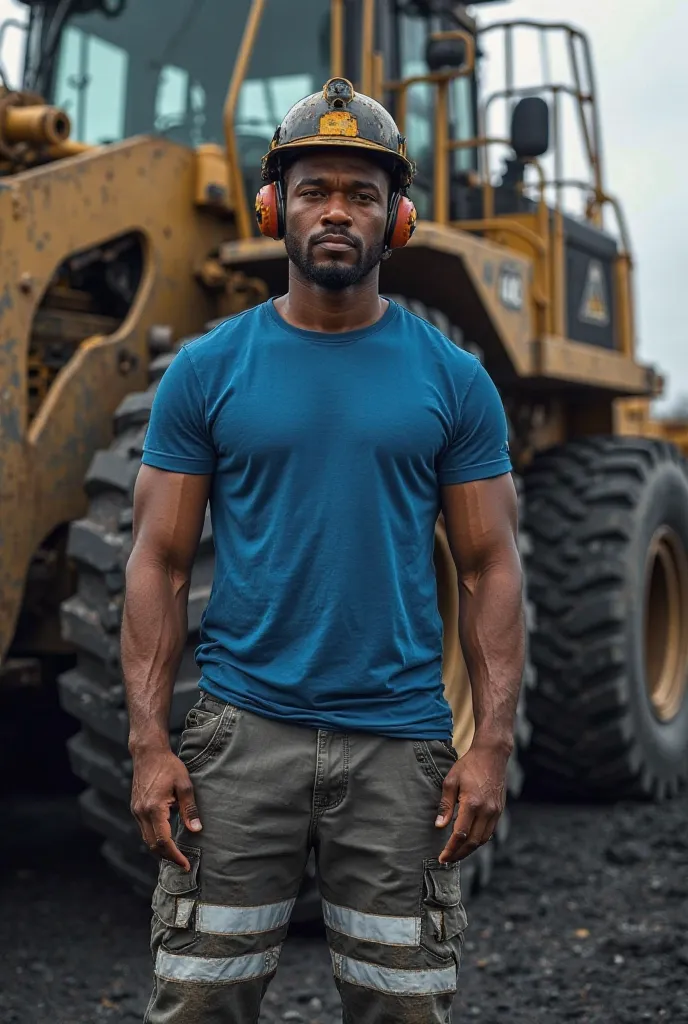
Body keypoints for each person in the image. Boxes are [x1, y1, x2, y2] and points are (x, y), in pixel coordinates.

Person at [124, 77, 525, 1024]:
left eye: (362, 193)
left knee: (400, 1006)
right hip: (240, 737)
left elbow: (489, 568)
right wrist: (148, 743)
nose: (336, 210)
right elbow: (159, 561)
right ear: (276, 208)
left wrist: (491, 747)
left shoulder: (455, 382)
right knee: (202, 1002)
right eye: (314, 190)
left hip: (401, 749)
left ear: (398, 218)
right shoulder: (207, 371)